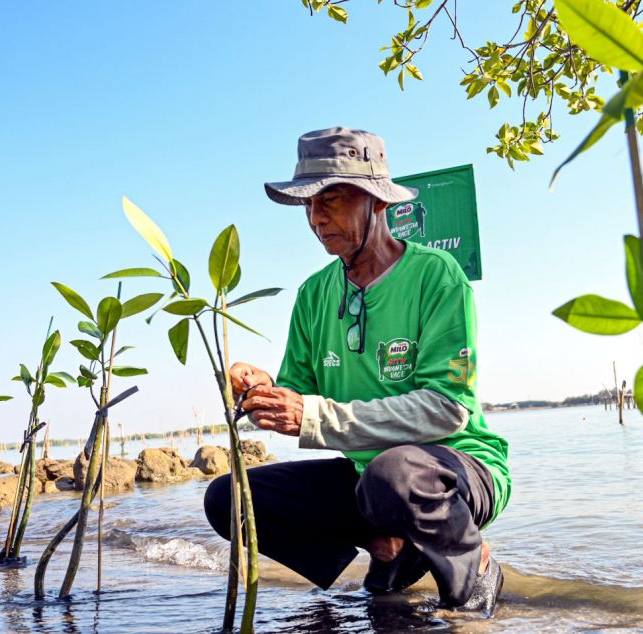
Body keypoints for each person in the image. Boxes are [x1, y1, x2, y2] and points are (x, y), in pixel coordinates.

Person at [203, 127, 511, 615]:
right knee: (228, 498)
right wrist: (262, 390)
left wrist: (311, 414)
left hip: (456, 469)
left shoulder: (437, 276)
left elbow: (448, 409)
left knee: (391, 475)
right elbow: (298, 395)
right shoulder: (314, 294)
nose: (316, 217)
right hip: (372, 482)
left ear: (377, 203)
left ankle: (475, 563)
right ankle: (388, 546)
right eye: (307, 204)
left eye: (333, 199)